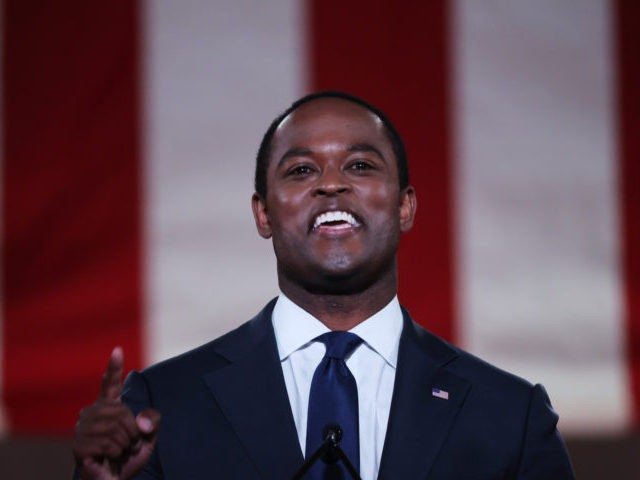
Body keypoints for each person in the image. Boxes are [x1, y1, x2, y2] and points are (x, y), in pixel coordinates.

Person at [73, 91, 575, 479]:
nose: (331, 183)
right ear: (263, 214)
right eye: (301, 169)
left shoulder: (511, 416)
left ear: (405, 206)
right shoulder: (162, 405)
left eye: (360, 165)